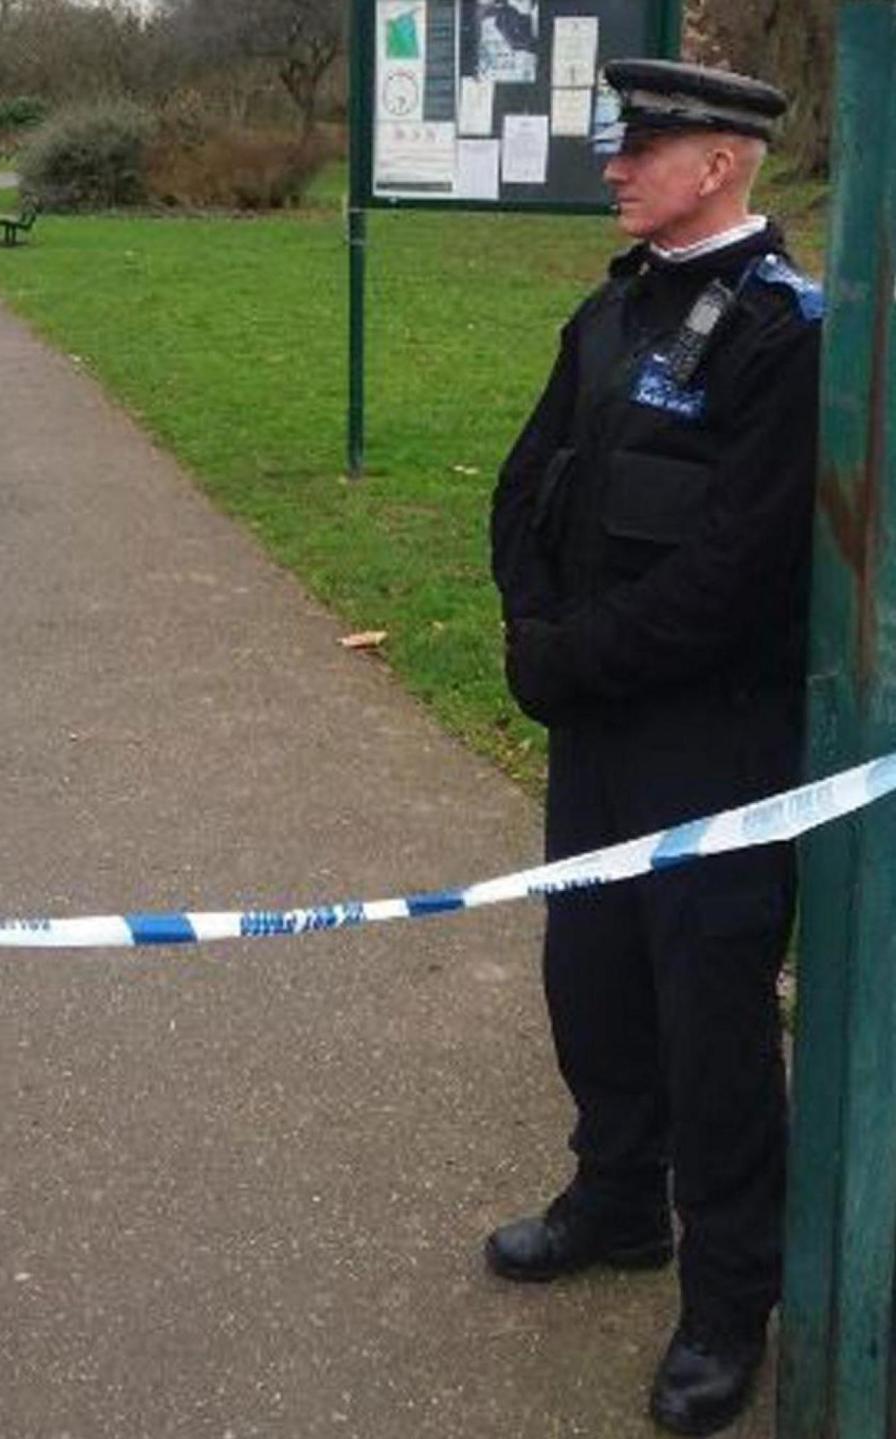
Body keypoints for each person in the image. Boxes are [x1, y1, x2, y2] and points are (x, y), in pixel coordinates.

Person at [488, 59, 822, 1437]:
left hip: (715, 746)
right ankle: (618, 1202)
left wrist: (574, 658)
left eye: (646, 148)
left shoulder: (789, 335)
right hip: (600, 729)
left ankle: (727, 1302)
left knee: (712, 1022)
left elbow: (742, 566)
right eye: (622, 148)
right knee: (594, 978)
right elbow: (530, 486)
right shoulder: (613, 307)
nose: (617, 169)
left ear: (724, 165)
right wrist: (529, 623)